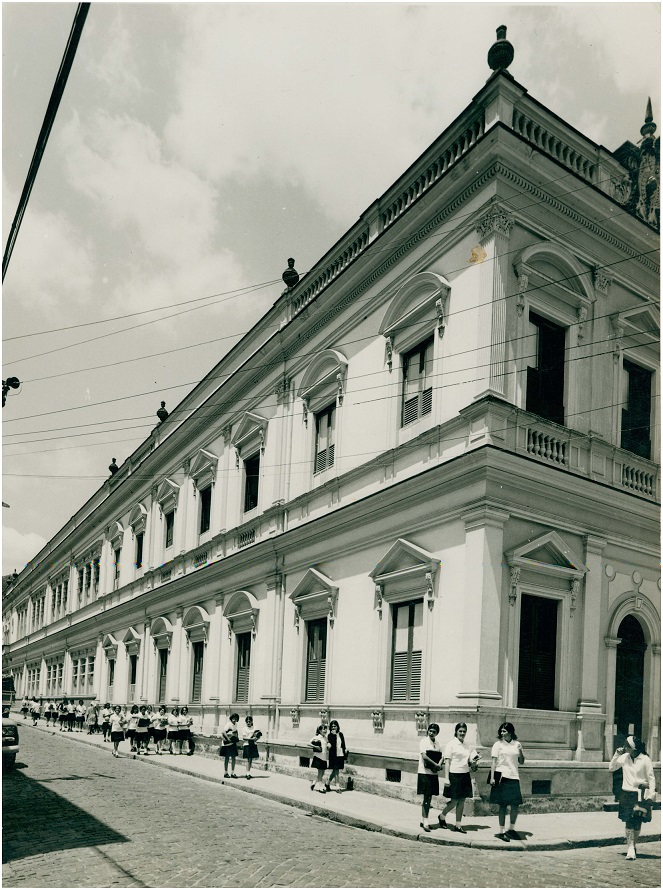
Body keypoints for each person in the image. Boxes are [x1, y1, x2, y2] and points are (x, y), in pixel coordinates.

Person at [609, 735, 656, 860]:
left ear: (633, 748)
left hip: (640, 794)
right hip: (627, 794)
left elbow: (651, 778)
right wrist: (616, 755)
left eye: (627, 745)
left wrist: (651, 795)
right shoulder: (624, 757)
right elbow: (612, 768)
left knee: (637, 822)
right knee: (629, 820)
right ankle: (630, 848)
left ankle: (633, 845)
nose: (624, 747)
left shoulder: (645, 759)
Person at [439, 722, 479, 833]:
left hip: (465, 774)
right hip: (454, 775)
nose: (462, 733)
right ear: (456, 732)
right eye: (460, 731)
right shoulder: (451, 744)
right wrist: (446, 778)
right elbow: (447, 762)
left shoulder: (467, 746)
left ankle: (458, 825)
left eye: (464, 731)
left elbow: (469, 761)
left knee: (462, 800)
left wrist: (474, 762)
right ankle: (442, 816)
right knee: (454, 801)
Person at [489, 722, 525, 841]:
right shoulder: (497, 745)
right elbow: (494, 762)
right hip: (502, 777)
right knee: (503, 805)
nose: (502, 733)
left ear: (510, 732)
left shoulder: (517, 744)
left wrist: (520, 751)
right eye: (501, 731)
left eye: (504, 731)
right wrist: (492, 777)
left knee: (515, 805)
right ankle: (501, 831)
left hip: (514, 776)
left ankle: (512, 829)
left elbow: (521, 761)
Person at [418, 722, 443, 831]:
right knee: (426, 798)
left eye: (434, 732)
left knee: (430, 797)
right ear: (428, 731)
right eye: (430, 731)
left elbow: (442, 756)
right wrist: (435, 765)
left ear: (437, 733)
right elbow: (424, 756)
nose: (432, 733)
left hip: (433, 773)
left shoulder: (437, 743)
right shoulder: (424, 741)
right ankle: (425, 822)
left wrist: (440, 764)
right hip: (425, 773)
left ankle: (424, 820)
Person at [326, 720, 348, 792]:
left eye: (335, 726)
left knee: (335, 770)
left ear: (337, 726)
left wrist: (345, 753)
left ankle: (327, 783)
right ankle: (337, 786)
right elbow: (331, 744)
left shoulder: (341, 734)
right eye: (332, 727)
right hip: (333, 755)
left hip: (340, 754)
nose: (333, 728)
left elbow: (343, 744)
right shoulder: (330, 735)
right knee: (336, 771)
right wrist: (333, 735)